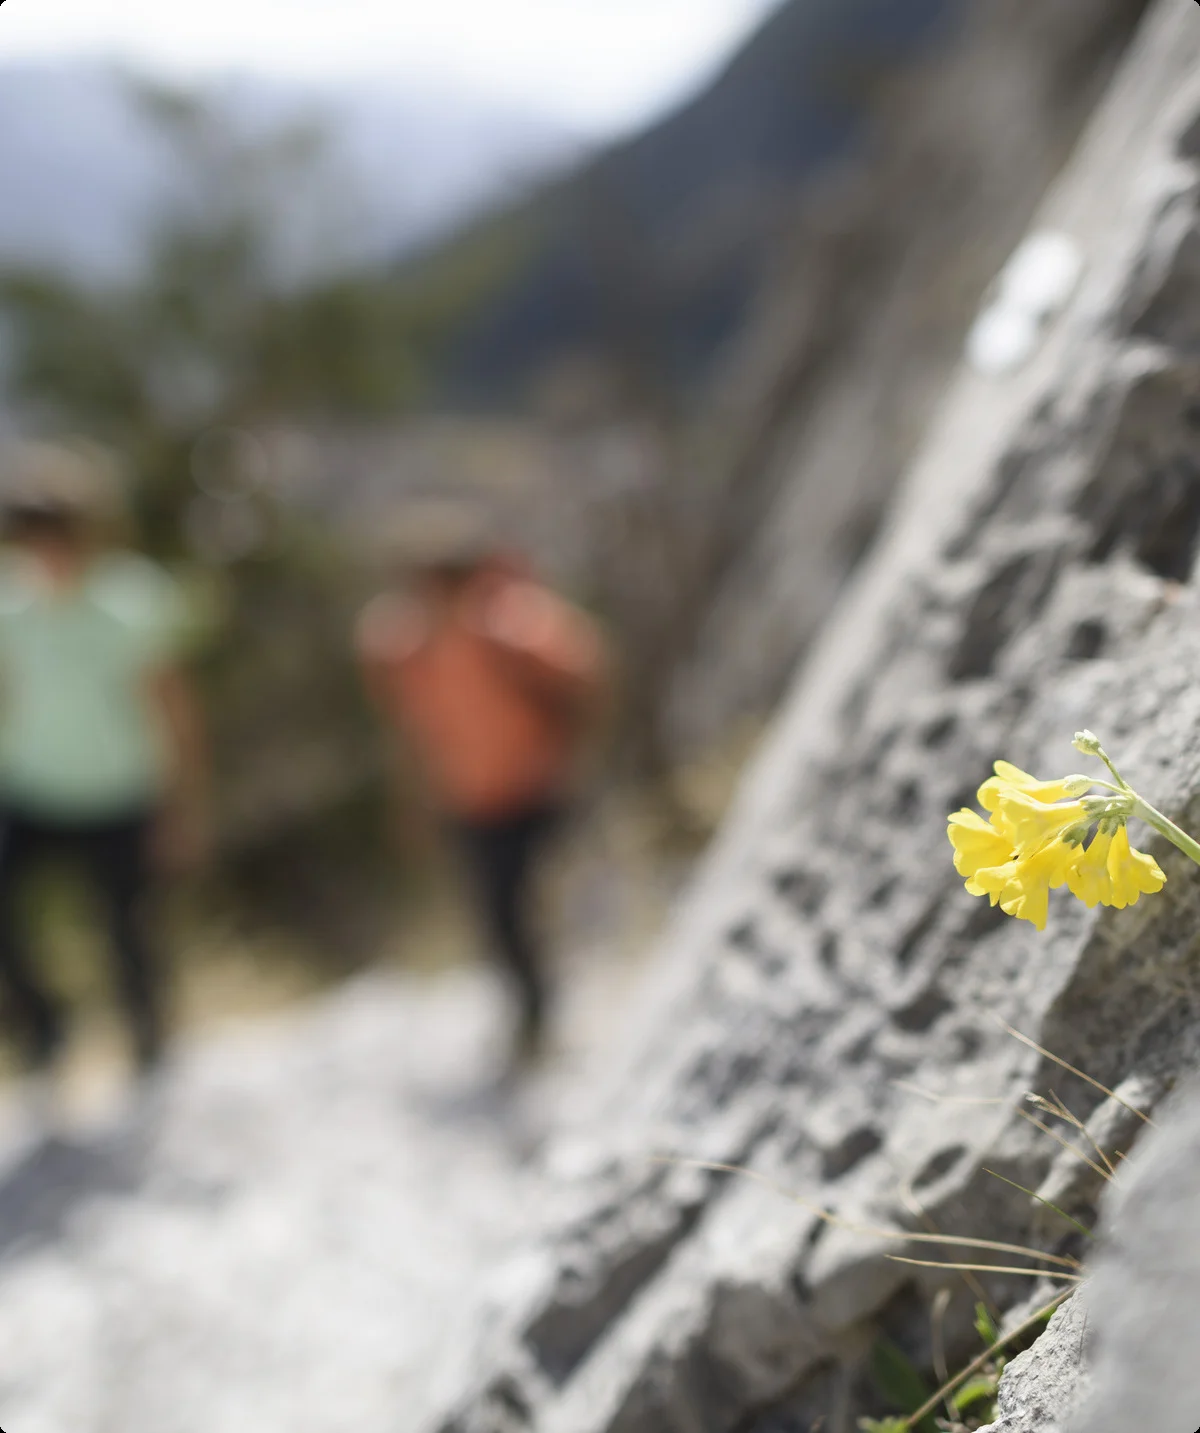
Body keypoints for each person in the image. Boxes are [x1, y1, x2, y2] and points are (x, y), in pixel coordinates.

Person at [356, 509, 608, 1067]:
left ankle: (556, 1006)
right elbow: (414, 732)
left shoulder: (517, 628)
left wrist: (566, 760)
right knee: (500, 913)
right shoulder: (410, 650)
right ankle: (533, 1014)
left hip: (534, 788)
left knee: (537, 901)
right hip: (469, 798)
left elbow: (581, 688)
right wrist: (415, 799)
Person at [0, 442, 208, 1077]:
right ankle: (45, 1029)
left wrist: (185, 805)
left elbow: (173, 709)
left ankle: (150, 1044)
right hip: (32, 789)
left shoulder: (133, 601)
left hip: (121, 793)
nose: (48, 552)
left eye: (58, 535)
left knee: (129, 932)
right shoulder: (9, 607)